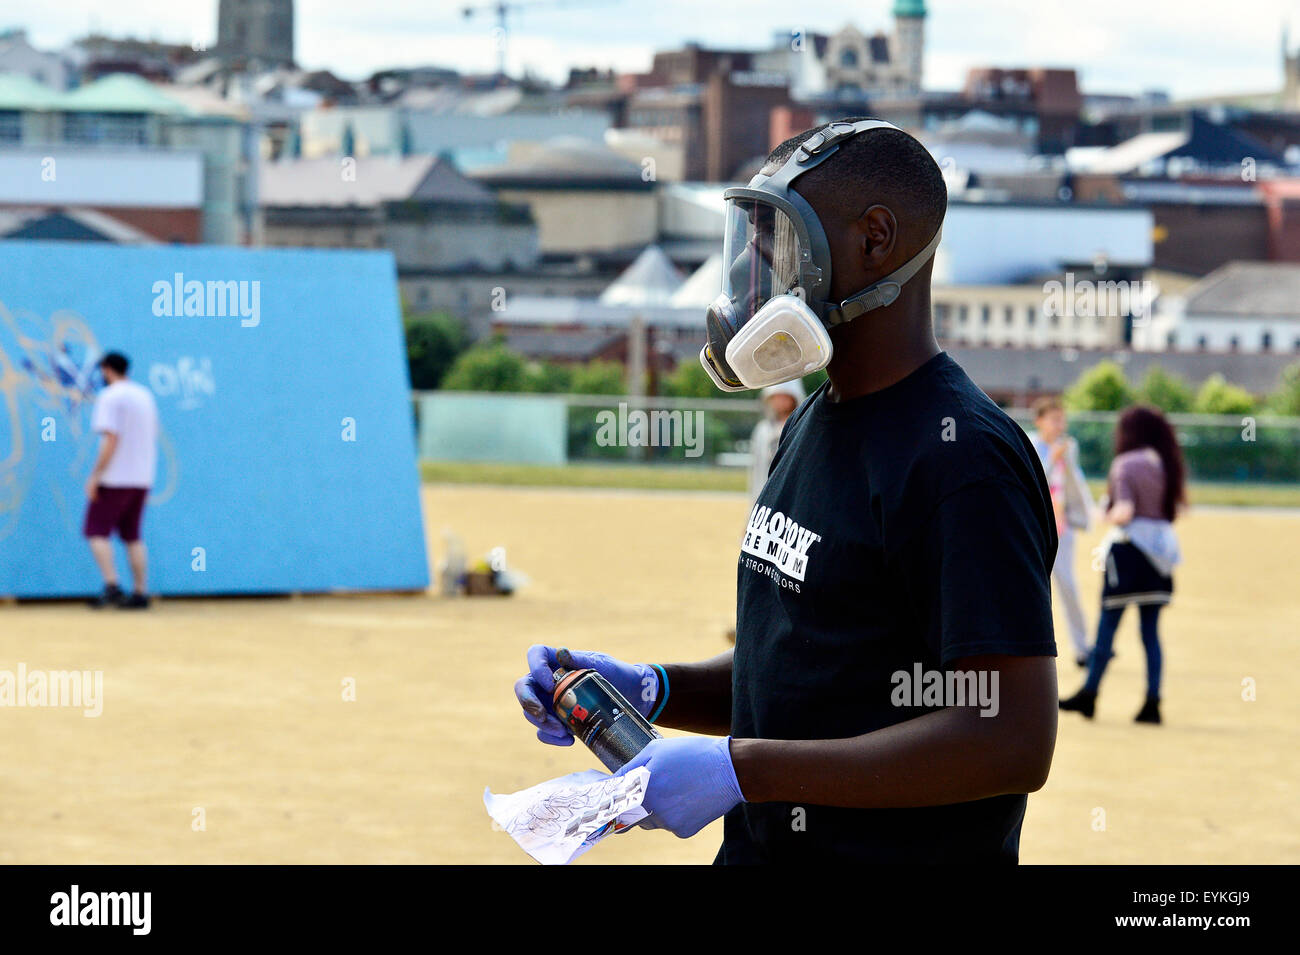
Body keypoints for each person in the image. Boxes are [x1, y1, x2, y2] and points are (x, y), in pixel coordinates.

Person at [516, 118, 1060, 863]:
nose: (754, 269)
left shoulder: (962, 459)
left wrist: (744, 770)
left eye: (778, 245)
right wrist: (652, 689)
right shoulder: (813, 417)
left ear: (876, 240)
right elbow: (805, 668)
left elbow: (1009, 738)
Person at [1059, 405, 1185, 725]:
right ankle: (1152, 702)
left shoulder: (1126, 464)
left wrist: (1104, 511)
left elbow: (1124, 511)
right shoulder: (1166, 463)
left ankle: (1089, 694)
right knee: (1150, 633)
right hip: (1161, 556)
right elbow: (1175, 510)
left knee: (1107, 627)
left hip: (1129, 555)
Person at [83, 351, 159, 609]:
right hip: (141, 477)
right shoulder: (145, 396)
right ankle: (140, 593)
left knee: (96, 531)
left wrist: (96, 475)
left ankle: (112, 585)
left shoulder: (109, 396)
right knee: (132, 536)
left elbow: (111, 439)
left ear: (106, 369)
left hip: (115, 479)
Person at [1029, 396, 1095, 667]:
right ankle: (1030, 651)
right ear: (1040, 421)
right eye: (1054, 419)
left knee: (1068, 585)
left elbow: (1073, 483)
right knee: (1034, 590)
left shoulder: (1069, 447)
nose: (1060, 425)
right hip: (1035, 529)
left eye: (1062, 420)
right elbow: (1032, 482)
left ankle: (1083, 649)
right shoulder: (1031, 444)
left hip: (1062, 527)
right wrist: (1051, 460)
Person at [747, 380, 806, 504]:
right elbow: (757, 469)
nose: (779, 401)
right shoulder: (762, 430)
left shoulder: (803, 428)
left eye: (783, 396)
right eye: (775, 396)